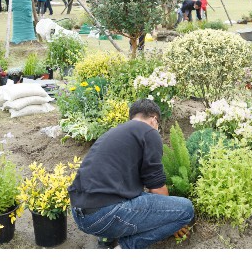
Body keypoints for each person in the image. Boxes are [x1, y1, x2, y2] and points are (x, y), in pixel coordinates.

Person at [69, 99, 194, 249]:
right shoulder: (149, 132)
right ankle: (124, 248)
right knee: (186, 209)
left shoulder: (114, 133)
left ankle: (106, 241)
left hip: (79, 213)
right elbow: (156, 185)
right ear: (154, 119)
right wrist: (172, 218)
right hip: (104, 215)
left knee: (128, 194)